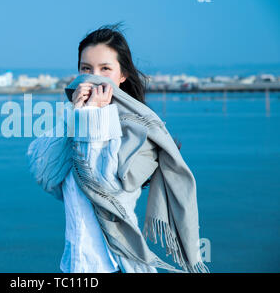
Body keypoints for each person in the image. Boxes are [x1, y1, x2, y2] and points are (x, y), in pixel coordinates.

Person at [27, 23, 188, 273]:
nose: (94, 77)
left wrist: (93, 118)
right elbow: (45, 175)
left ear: (122, 75)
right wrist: (75, 115)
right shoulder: (76, 120)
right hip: (74, 265)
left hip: (116, 266)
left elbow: (104, 187)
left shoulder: (139, 133)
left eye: (105, 69)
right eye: (86, 68)